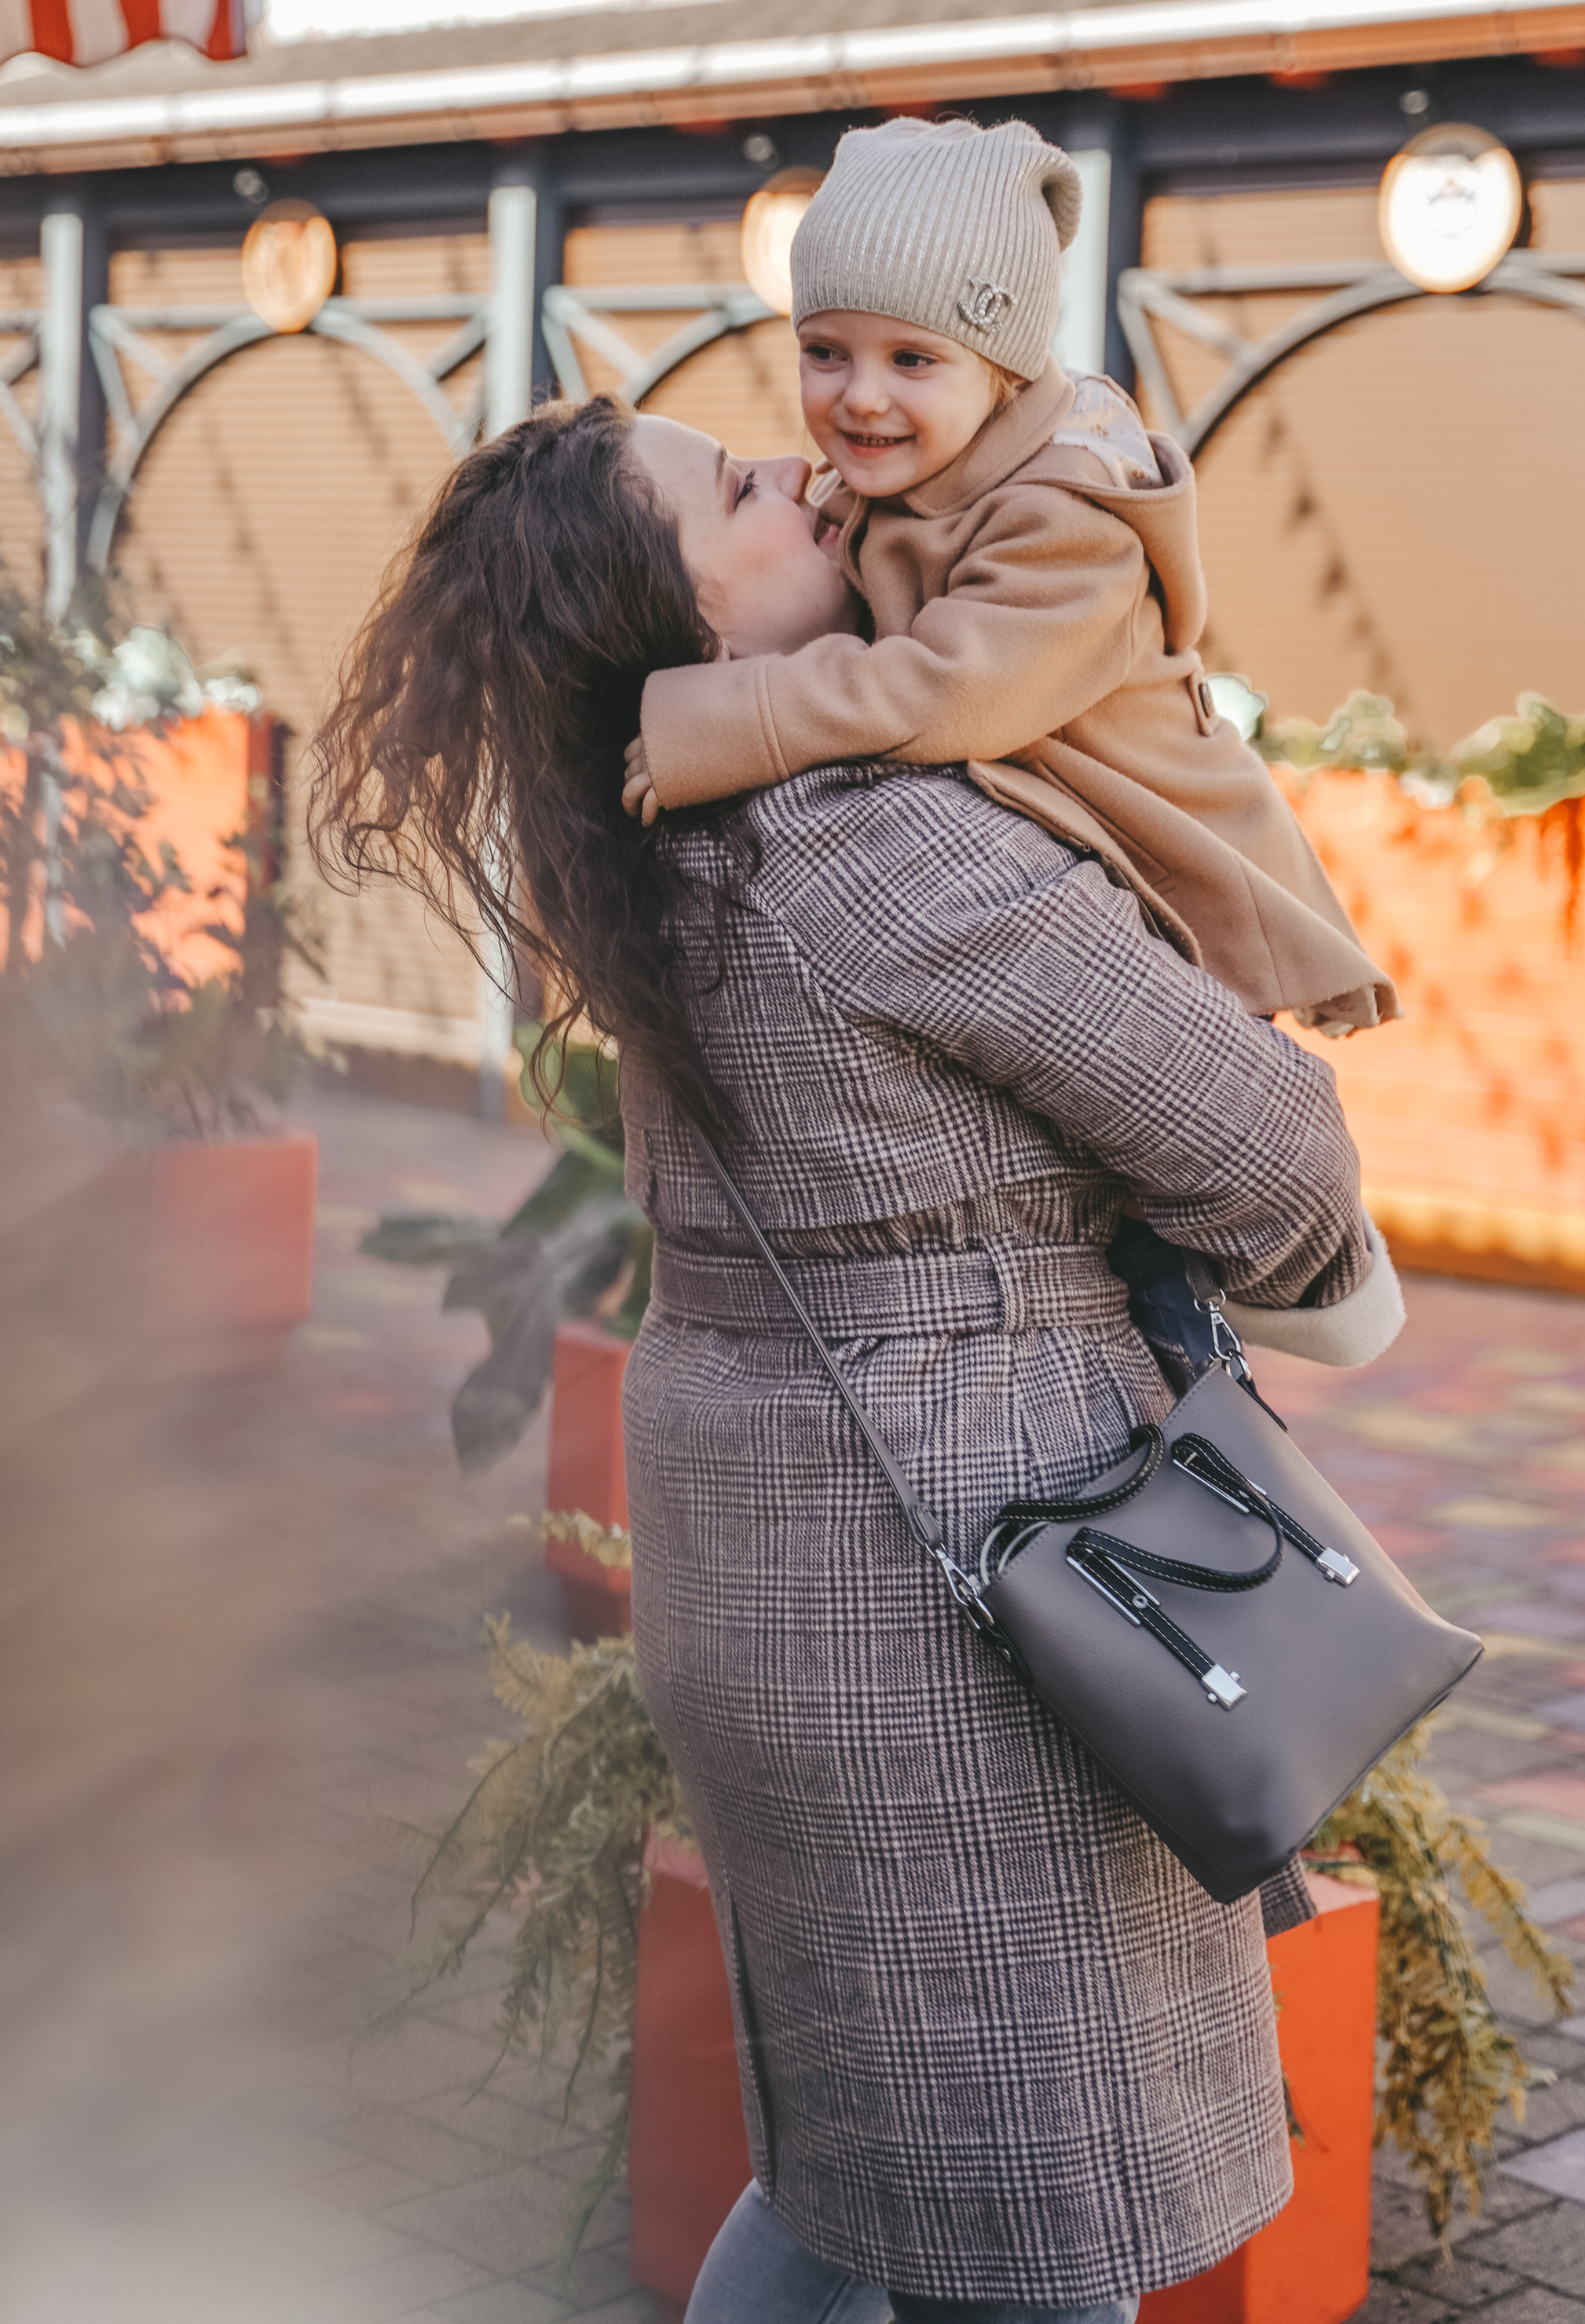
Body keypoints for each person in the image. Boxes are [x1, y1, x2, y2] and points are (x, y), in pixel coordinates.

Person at [311, 394, 1405, 2324]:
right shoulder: (873, 843)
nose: (795, 464)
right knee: (1023, 2233)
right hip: (971, 1608)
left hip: (776, 1568)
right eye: (732, 488)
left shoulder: (658, 850)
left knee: (849, 2176)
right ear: (698, 633)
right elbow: (1268, 1144)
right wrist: (1290, 1289)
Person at [623, 115, 1396, 1043]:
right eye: (825, 351)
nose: (861, 395)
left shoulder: (1067, 520)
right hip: (1059, 875)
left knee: (1190, 1122)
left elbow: (951, 693)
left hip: (1173, 883)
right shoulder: (893, 476)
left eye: (912, 359)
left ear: (1001, 371)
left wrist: (731, 719)